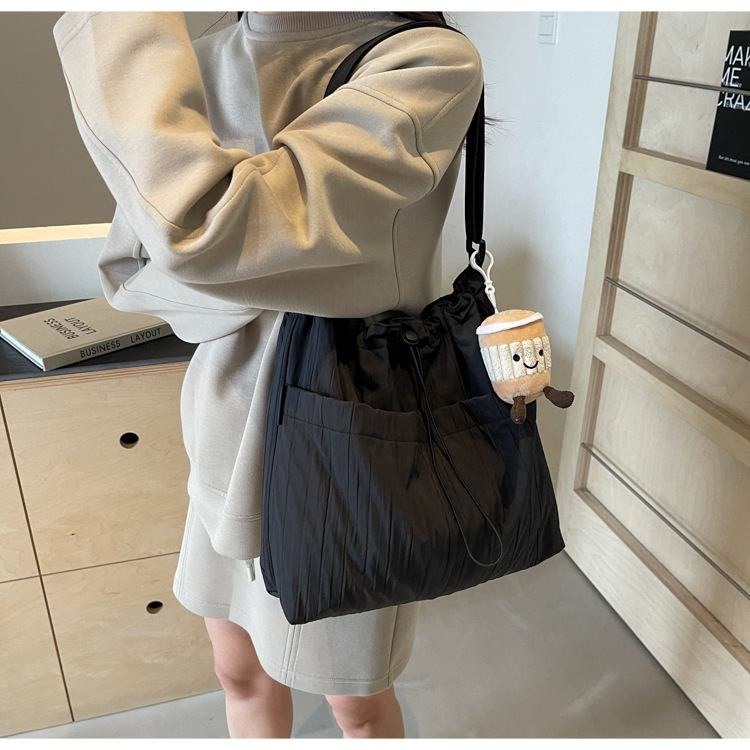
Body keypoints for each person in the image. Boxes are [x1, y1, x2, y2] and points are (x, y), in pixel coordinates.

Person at [53, 10, 484, 739]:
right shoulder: (195, 59)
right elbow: (130, 269)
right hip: (225, 423)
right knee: (238, 671)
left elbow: (204, 233)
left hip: (353, 442)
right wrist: (285, 275)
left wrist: (229, 268)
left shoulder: (424, 60)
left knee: (355, 702)